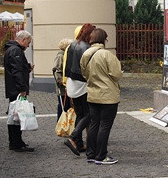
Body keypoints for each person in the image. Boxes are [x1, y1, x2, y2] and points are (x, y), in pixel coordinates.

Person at [80, 28, 123, 165]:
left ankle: (91, 153)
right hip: (108, 95)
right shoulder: (107, 55)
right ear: (104, 39)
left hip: (92, 94)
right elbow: (116, 74)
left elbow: (84, 73)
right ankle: (101, 155)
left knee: (94, 124)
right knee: (105, 125)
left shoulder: (86, 54)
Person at [64, 23, 95, 155]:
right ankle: (73, 137)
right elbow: (88, 68)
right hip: (82, 83)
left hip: (72, 82)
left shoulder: (72, 45)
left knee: (80, 114)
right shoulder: (87, 48)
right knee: (89, 114)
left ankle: (78, 142)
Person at [4, 30, 35, 152]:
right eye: (28, 42)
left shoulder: (12, 50)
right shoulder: (16, 51)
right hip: (16, 89)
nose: (28, 45)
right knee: (16, 116)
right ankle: (16, 143)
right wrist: (22, 89)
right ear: (22, 40)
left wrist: (27, 68)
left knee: (14, 115)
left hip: (13, 88)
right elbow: (16, 71)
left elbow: (17, 69)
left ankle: (16, 142)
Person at [53, 38, 73, 120]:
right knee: (63, 106)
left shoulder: (66, 55)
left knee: (67, 105)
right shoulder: (61, 56)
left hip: (66, 85)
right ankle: (61, 122)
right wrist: (60, 81)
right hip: (62, 86)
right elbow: (57, 70)